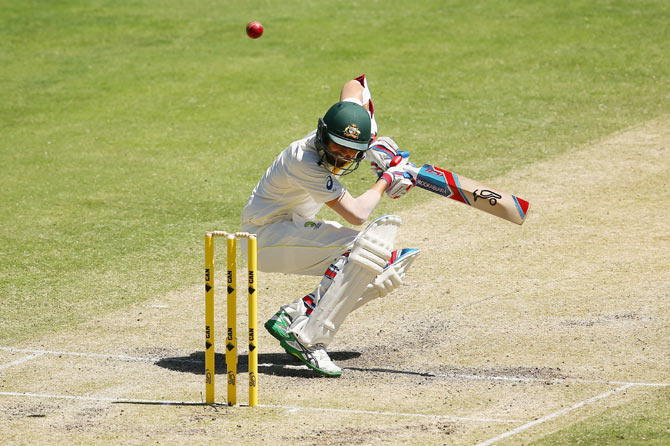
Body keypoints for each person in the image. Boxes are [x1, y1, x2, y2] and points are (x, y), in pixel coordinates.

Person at [240, 75, 420, 376]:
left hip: (291, 228)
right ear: (324, 134)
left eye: (352, 152)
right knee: (366, 249)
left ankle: (296, 315)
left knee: (384, 269)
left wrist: (376, 145)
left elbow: (355, 85)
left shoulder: (352, 126)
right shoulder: (304, 161)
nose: (342, 156)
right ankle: (308, 339)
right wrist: (388, 176)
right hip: (265, 238)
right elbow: (357, 214)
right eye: (337, 148)